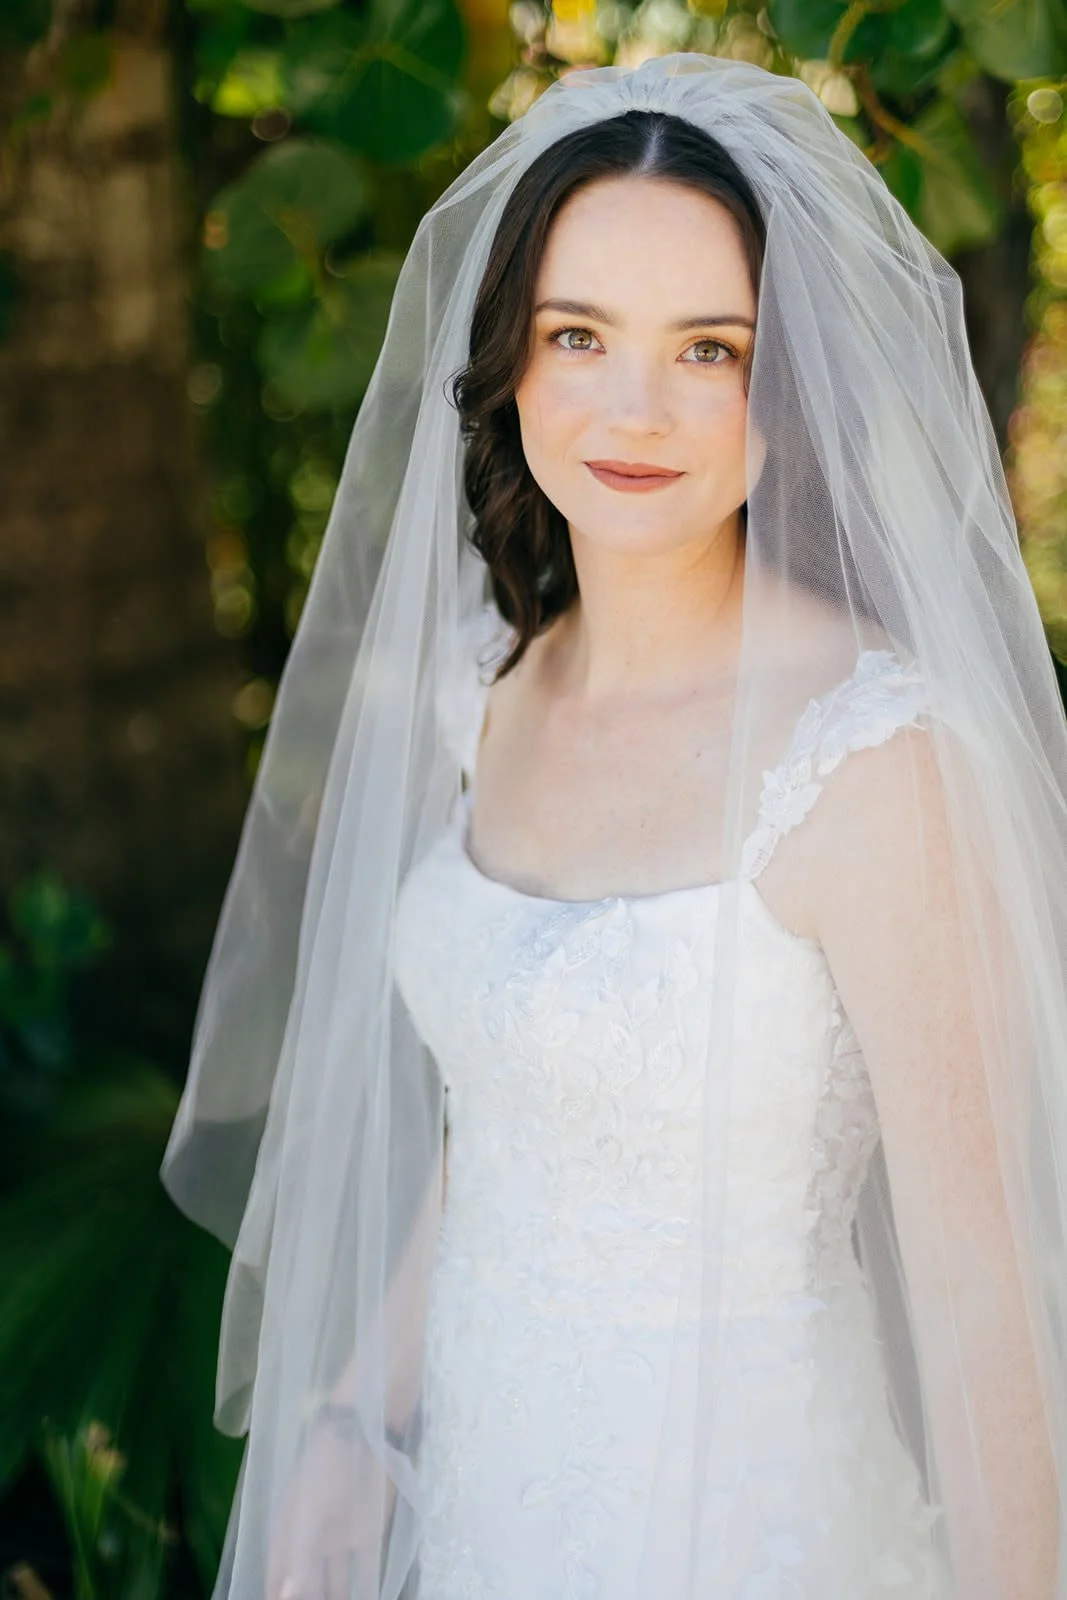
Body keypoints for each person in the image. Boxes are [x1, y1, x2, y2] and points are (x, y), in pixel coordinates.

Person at [161, 54, 1067, 1600]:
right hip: (494, 1507)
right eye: (579, 335)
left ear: (783, 387)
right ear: (510, 353)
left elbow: (994, 1305)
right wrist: (353, 1421)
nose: (633, 410)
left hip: (753, 1528)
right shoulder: (493, 685)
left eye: (708, 349)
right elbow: (507, 1110)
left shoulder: (870, 756)